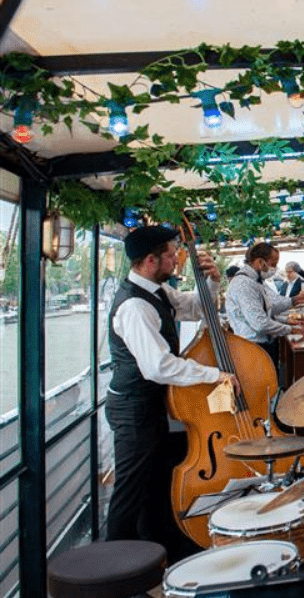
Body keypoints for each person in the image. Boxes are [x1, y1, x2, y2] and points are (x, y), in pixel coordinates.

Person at [105, 225, 238, 562]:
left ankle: (157, 548)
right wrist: (215, 374)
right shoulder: (134, 306)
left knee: (155, 479)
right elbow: (158, 366)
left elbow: (194, 307)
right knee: (131, 490)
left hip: (150, 404)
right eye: (170, 253)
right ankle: (115, 569)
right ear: (151, 261)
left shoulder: (158, 291)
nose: (177, 257)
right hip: (133, 407)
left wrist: (212, 281)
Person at [226, 242, 304, 368]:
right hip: (253, 348)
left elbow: (269, 309)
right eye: (273, 264)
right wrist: (290, 329)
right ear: (260, 262)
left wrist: (289, 313)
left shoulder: (255, 281)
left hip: (262, 345)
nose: (275, 269)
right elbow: (260, 323)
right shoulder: (244, 284)